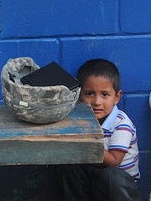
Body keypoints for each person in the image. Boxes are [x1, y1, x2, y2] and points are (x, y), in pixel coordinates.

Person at [57, 58, 140, 201]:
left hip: (120, 188)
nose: (97, 102)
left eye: (105, 94)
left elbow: (114, 162)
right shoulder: (78, 120)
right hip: (92, 183)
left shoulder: (121, 123)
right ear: (78, 96)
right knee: (67, 167)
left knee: (111, 176)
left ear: (117, 97)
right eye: (89, 93)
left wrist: (83, 143)